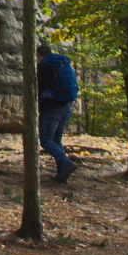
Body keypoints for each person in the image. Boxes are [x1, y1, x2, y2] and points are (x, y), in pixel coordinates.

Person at [37, 42, 77, 182]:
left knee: (46, 140)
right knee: (56, 140)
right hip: (66, 106)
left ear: (39, 55)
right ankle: (62, 174)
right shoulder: (61, 63)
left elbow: (39, 87)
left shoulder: (44, 65)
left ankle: (65, 162)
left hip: (52, 108)